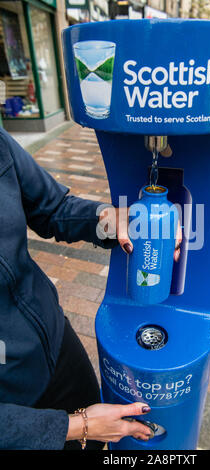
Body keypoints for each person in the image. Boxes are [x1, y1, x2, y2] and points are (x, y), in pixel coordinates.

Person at [0, 128, 181, 450]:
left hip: (53, 339)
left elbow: (52, 208)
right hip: (10, 394)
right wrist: (74, 427)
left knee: (98, 441)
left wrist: (113, 220)